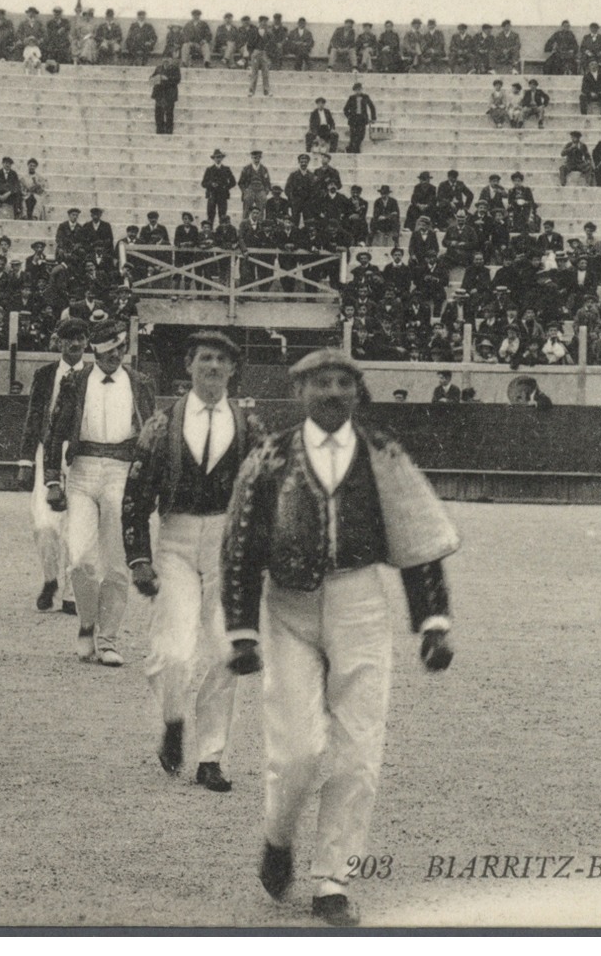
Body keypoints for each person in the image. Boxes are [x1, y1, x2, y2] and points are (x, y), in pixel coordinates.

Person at [223, 348, 457, 927]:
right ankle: (278, 836)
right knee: (298, 747)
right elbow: (242, 547)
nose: (332, 392)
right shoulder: (270, 456)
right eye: (320, 382)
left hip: (359, 603)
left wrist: (433, 623)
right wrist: (242, 629)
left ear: (358, 391)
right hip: (288, 608)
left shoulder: (384, 454)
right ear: (298, 391)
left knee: (359, 749)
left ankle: (333, 879)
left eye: (343, 382)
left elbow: (417, 539)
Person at [121, 331, 266, 793]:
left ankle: (210, 756)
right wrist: (139, 558)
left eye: (222, 361)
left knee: (228, 649)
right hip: (177, 540)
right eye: (205, 359)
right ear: (189, 365)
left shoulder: (250, 427)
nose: (213, 368)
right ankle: (173, 720)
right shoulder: (161, 425)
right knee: (174, 652)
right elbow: (135, 498)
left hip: (228, 541)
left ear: (232, 371)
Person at [42, 321, 158, 665]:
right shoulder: (75, 381)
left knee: (117, 563)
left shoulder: (140, 383)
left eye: (120, 348)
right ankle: (87, 625)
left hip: (122, 474)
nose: (116, 355)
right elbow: (54, 431)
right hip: (81, 472)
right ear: (96, 350)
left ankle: (107, 640)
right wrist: (52, 480)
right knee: (79, 559)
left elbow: (152, 437)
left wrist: (149, 483)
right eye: (109, 350)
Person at [18, 319, 88, 615]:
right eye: (69, 339)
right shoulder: (45, 375)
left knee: (78, 525)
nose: (75, 344)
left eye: (81, 338)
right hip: (45, 452)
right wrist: (24, 461)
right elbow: (34, 416)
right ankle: (50, 579)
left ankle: (72, 593)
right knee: (45, 524)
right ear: (58, 342)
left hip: (80, 456)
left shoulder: (94, 376)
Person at [151, 54, 182, 135]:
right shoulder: (158, 68)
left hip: (169, 94)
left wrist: (167, 79)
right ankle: (159, 129)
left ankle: (169, 130)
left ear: (171, 60)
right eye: (164, 58)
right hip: (159, 94)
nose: (166, 60)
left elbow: (177, 79)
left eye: (168, 58)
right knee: (158, 112)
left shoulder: (175, 68)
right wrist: (154, 78)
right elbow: (152, 78)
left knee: (169, 113)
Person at [343, 83, 377, 154]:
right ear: (354, 91)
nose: (358, 91)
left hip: (362, 119)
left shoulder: (365, 97)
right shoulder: (351, 98)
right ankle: (354, 150)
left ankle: (351, 149)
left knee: (361, 135)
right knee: (353, 136)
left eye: (359, 90)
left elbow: (372, 107)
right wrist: (349, 116)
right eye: (356, 90)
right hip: (353, 120)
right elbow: (345, 109)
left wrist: (373, 118)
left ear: (361, 89)